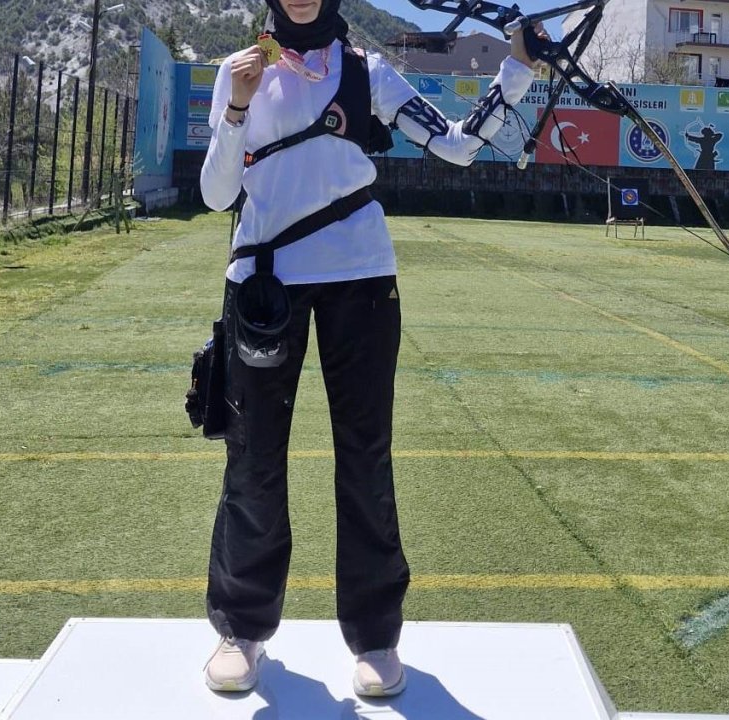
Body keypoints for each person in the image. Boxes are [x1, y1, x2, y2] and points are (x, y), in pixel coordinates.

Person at [198, 0, 540, 698]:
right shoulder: (242, 72)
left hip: (362, 277)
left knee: (365, 455)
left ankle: (376, 635)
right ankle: (241, 629)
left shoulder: (368, 71)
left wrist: (517, 69)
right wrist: (235, 108)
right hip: (264, 284)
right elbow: (215, 193)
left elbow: (455, 144)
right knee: (252, 457)